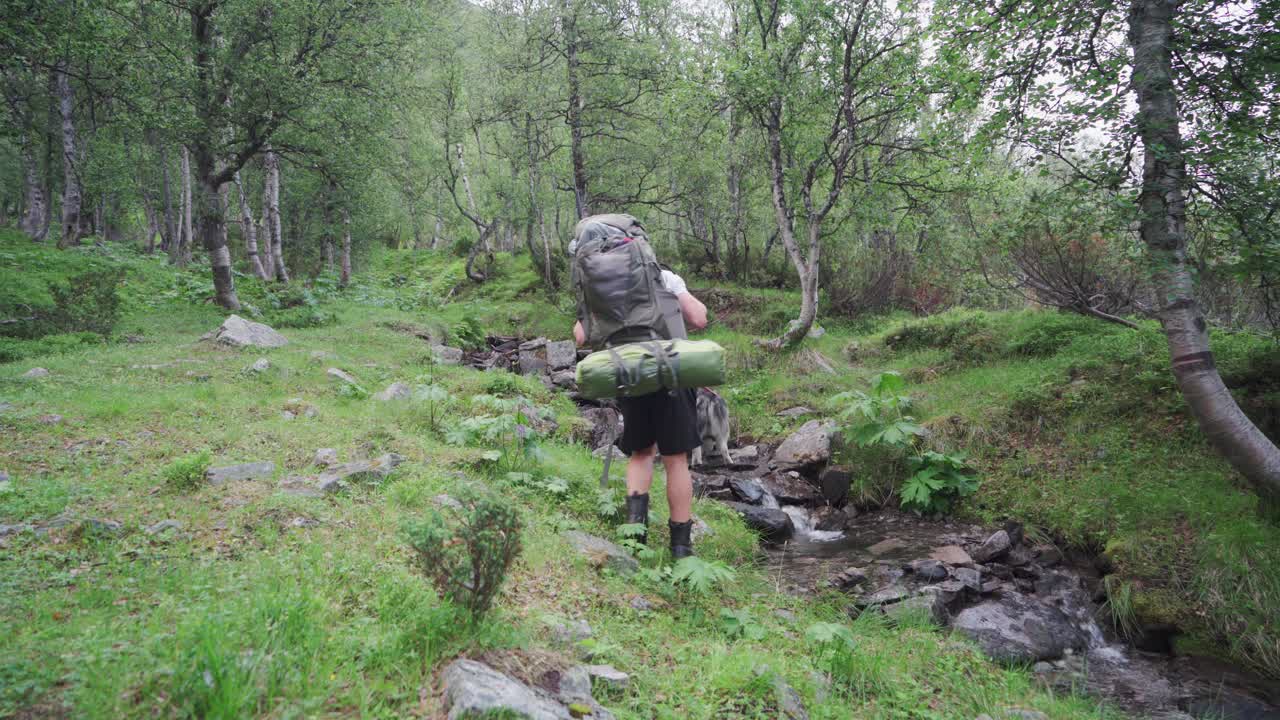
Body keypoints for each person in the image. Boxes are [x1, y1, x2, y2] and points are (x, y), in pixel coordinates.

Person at [571, 223, 709, 559]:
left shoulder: (600, 287)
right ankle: (681, 550)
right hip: (672, 372)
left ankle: (636, 538)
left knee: (641, 453)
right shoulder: (663, 276)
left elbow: (579, 336)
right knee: (677, 461)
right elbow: (699, 318)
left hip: (629, 373)